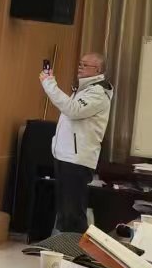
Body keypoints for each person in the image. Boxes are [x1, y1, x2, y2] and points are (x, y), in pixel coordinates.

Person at [40, 53, 112, 232]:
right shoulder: (84, 89)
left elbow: (73, 110)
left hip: (77, 159)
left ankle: (76, 248)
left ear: (98, 70)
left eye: (85, 65)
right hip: (66, 156)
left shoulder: (98, 92)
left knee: (73, 213)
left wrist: (49, 84)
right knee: (65, 212)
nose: (80, 67)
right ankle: (65, 246)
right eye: (80, 64)